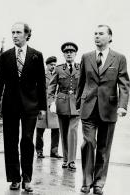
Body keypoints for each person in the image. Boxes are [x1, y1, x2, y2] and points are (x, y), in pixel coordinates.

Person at [0, 22, 46, 192]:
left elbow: (41, 84)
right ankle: (14, 178)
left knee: (27, 141)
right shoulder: (6, 56)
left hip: (31, 106)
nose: (14, 35)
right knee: (10, 141)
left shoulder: (36, 56)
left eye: (18, 32)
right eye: (12, 32)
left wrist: (43, 107)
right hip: (9, 105)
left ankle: (27, 179)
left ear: (26, 35)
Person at [76, 25, 129, 195]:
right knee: (88, 143)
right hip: (88, 107)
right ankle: (86, 181)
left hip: (109, 109)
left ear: (110, 37)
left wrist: (122, 105)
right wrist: (78, 103)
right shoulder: (86, 57)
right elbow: (81, 82)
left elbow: (124, 84)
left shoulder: (119, 58)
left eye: (101, 34)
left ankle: (99, 183)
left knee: (104, 148)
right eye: (95, 34)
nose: (97, 36)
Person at [48, 43, 80, 171]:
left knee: (72, 131)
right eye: (67, 52)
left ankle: (72, 160)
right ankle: (66, 159)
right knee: (64, 132)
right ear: (64, 54)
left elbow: (85, 85)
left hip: (76, 105)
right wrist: (51, 103)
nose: (69, 53)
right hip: (62, 104)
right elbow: (51, 88)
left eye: (72, 51)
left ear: (75, 54)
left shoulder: (81, 68)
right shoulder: (59, 69)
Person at [35, 56, 61, 159]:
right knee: (40, 129)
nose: (53, 66)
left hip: (53, 105)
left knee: (56, 129)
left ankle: (54, 152)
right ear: (47, 65)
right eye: (51, 65)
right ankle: (39, 151)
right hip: (42, 105)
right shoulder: (41, 74)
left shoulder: (57, 74)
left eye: (54, 65)